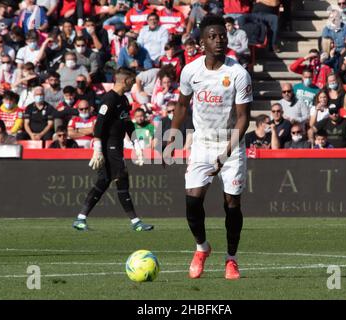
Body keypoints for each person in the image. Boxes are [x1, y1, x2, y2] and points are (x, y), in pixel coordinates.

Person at [165, 15, 253, 280]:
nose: (219, 40)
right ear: (202, 42)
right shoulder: (191, 71)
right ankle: (202, 248)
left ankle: (231, 259)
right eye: (213, 36)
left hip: (231, 145)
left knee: (232, 204)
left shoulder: (238, 73)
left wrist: (225, 153)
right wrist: (171, 136)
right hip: (202, 143)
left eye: (222, 35)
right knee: (192, 201)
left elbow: (243, 118)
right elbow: (181, 106)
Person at [73, 67, 154, 232]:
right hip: (108, 146)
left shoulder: (124, 100)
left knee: (103, 181)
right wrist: (97, 148)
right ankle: (136, 222)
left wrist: (137, 144)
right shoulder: (109, 99)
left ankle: (80, 219)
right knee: (122, 177)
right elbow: (99, 124)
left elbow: (128, 123)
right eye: (132, 80)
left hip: (116, 145)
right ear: (125, 80)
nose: (134, 84)